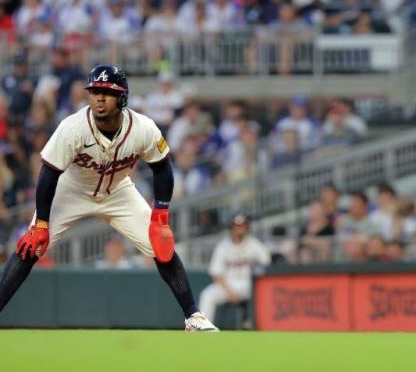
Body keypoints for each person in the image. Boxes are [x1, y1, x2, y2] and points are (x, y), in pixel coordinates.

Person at [0, 64, 218, 331]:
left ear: (122, 97)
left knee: (160, 243)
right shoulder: (73, 127)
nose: (99, 98)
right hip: (72, 189)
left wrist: (160, 215)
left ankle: (193, 316)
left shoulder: (143, 128)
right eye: (94, 91)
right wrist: (42, 223)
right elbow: (49, 173)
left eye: (107, 92)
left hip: (118, 190)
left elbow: (162, 167)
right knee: (29, 246)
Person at [199, 214, 270, 325]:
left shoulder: (254, 244)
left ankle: (262, 325)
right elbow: (216, 274)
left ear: (247, 227)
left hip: (249, 285)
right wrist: (230, 292)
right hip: (228, 285)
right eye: (237, 226)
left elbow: (268, 264)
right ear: (231, 227)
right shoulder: (223, 246)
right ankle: (203, 328)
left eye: (242, 226)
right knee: (207, 295)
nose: (239, 229)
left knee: (264, 293)